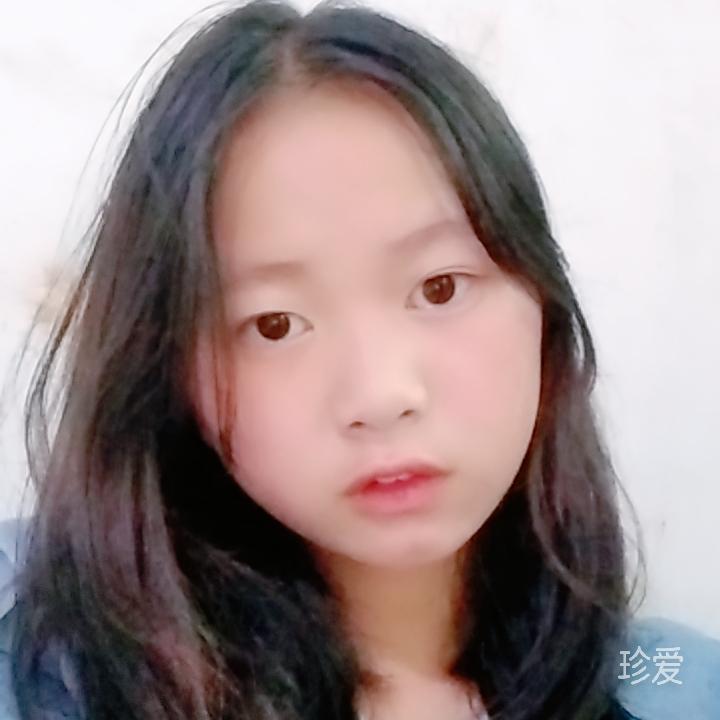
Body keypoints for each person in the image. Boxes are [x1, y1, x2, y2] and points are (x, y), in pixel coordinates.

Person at [0, 1, 718, 718]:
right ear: (167, 368)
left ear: (544, 311)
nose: (381, 395)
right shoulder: (37, 668)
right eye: (275, 324)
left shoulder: (675, 691)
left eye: (440, 288)